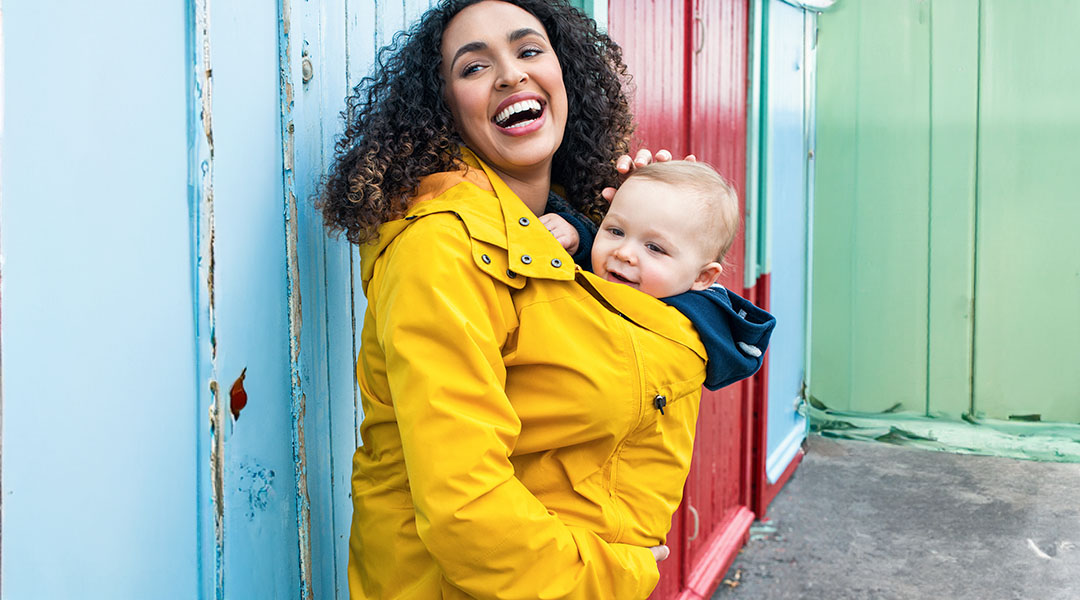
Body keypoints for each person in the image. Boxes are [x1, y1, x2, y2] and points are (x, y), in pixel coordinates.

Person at [319, 1, 763, 598]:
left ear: (566, 76)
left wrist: (647, 229)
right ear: (443, 110)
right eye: (473, 68)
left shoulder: (564, 234)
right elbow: (465, 508)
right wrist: (619, 573)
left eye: (530, 51)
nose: (510, 75)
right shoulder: (442, 248)